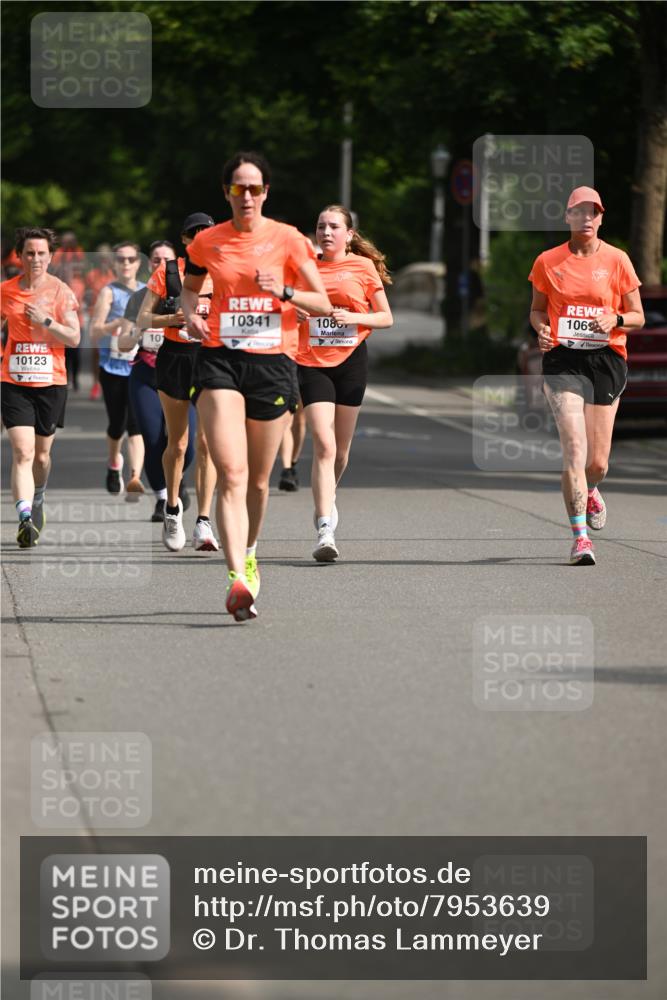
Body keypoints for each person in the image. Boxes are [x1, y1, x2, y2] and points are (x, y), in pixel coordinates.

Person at [181, 151, 331, 620]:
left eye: (255, 188)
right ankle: (236, 578)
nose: (246, 196)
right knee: (232, 473)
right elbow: (190, 287)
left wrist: (283, 291)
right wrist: (189, 316)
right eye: (238, 188)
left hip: (273, 363)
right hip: (220, 360)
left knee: (260, 482)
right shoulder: (208, 242)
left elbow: (321, 303)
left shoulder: (288, 240)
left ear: (266, 192)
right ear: (226, 191)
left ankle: (248, 551)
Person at [529, 186, 644, 566]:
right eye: (579, 212)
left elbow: (638, 316)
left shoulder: (617, 260)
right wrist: (541, 329)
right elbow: (537, 310)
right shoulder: (548, 261)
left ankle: (592, 488)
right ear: (567, 217)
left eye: (593, 212)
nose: (586, 219)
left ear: (601, 218)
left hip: (606, 360)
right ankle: (580, 538)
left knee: (597, 463)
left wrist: (617, 319)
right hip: (563, 362)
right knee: (574, 451)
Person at [295, 205, 393, 561]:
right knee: (323, 444)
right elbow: (284, 307)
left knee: (341, 451)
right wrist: (296, 310)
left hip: (351, 360)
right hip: (310, 362)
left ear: (349, 234)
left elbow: (386, 317)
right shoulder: (306, 266)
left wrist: (353, 316)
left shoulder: (363, 267)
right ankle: (325, 528)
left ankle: (328, 498)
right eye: (321, 226)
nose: (326, 232)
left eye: (334, 226)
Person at [136, 213, 218, 551]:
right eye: (193, 234)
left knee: (208, 443)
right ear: (185, 240)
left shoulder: (226, 270)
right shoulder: (169, 272)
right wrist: (172, 317)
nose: (199, 237)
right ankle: (173, 509)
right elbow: (141, 318)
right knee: (179, 443)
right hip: (174, 357)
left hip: (211, 358)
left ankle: (204, 521)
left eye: (206, 232)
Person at [1, 227, 80, 547]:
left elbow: (74, 338)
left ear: (50, 256)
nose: (35, 259)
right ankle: (24, 518)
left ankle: (38, 497)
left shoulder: (61, 291)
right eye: (29, 253)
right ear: (19, 256)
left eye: (41, 253)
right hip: (13, 381)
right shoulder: (5, 291)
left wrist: (47, 320)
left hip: (51, 382)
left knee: (42, 457)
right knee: (22, 451)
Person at [89, 242, 146, 497]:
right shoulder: (108, 293)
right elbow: (94, 332)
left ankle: (135, 477)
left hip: (140, 366)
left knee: (136, 424)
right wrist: (117, 324)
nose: (126, 263)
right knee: (117, 424)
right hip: (113, 368)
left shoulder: (147, 292)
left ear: (138, 263)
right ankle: (114, 464)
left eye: (130, 259)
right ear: (114, 264)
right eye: (120, 259)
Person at [84, 244, 115, 400]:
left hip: (112, 318)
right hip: (95, 317)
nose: (104, 261)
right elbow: (87, 295)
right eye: (101, 259)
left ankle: (109, 382)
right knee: (95, 352)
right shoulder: (91, 275)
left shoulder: (114, 277)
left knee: (111, 351)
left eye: (106, 259)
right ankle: (96, 384)